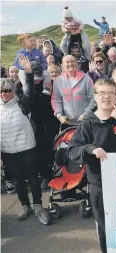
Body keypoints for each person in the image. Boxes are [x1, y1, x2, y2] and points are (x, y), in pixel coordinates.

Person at [68, 79, 116, 253]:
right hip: (99, 186)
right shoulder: (88, 123)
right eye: (102, 93)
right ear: (95, 96)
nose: (106, 97)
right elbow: (72, 151)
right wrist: (90, 149)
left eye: (111, 93)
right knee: (105, 228)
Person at [1, 55, 50, 224]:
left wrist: (28, 70)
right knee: (19, 182)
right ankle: (25, 205)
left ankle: (38, 205)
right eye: (1, 91)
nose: (4, 94)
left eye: (7, 90)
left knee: (33, 179)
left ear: (13, 91)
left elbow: (30, 88)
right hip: (8, 152)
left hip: (27, 149)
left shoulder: (23, 103)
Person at [51, 55, 95, 126]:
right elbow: (56, 100)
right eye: (67, 62)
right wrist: (59, 115)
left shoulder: (87, 79)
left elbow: (93, 99)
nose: (70, 64)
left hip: (85, 122)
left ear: (77, 63)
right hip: (67, 123)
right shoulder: (58, 81)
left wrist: (86, 114)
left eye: (72, 61)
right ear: (62, 65)